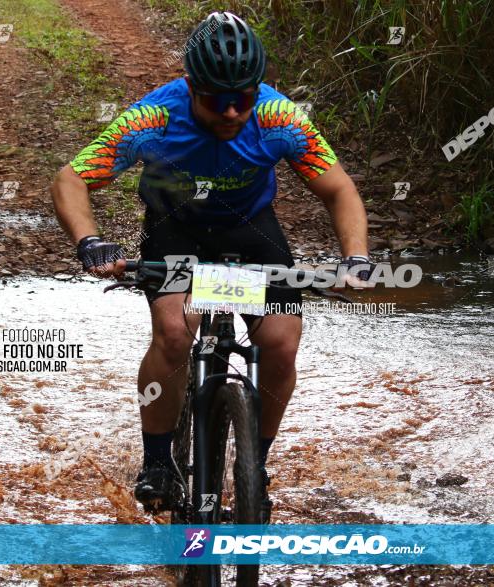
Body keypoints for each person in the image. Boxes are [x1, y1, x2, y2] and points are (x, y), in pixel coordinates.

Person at [50, 11, 371, 523]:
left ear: (257, 89)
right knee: (176, 333)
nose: (229, 112)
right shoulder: (153, 118)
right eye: (215, 100)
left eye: (241, 99)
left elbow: (339, 189)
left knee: (282, 343)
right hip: (177, 230)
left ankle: (254, 468)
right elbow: (71, 179)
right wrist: (89, 240)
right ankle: (157, 462)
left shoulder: (281, 117)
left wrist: (356, 258)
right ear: (191, 87)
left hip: (251, 232)